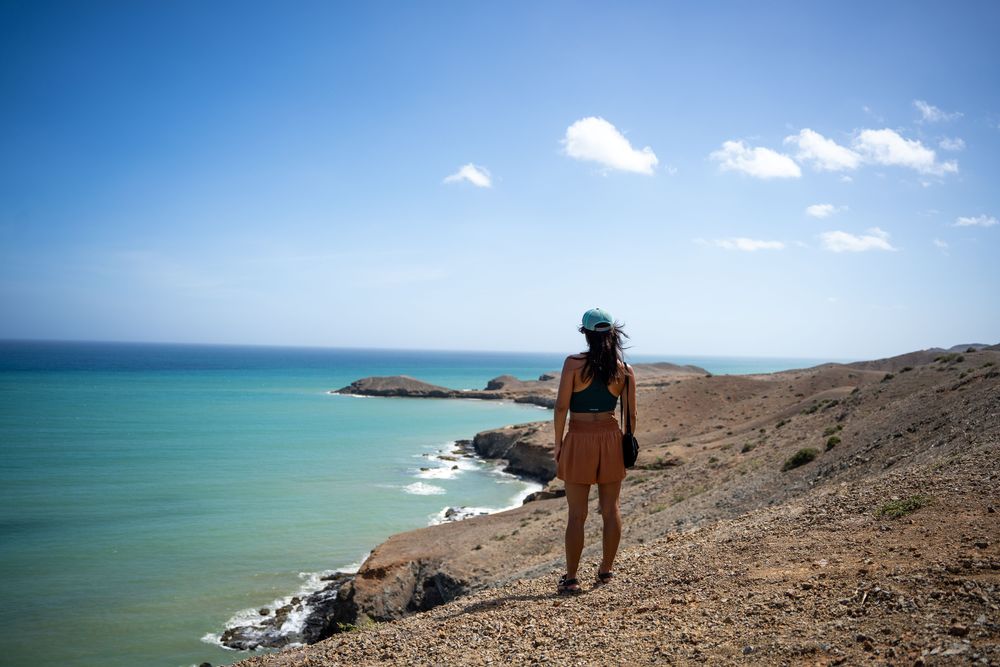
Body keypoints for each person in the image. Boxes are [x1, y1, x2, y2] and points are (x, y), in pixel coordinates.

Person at [553, 307, 636, 594]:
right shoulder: (624, 370)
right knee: (611, 509)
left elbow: (562, 406)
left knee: (577, 514)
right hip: (611, 439)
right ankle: (605, 573)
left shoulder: (573, 364)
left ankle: (572, 578)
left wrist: (558, 443)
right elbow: (631, 416)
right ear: (613, 333)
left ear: (585, 334)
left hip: (579, 437)